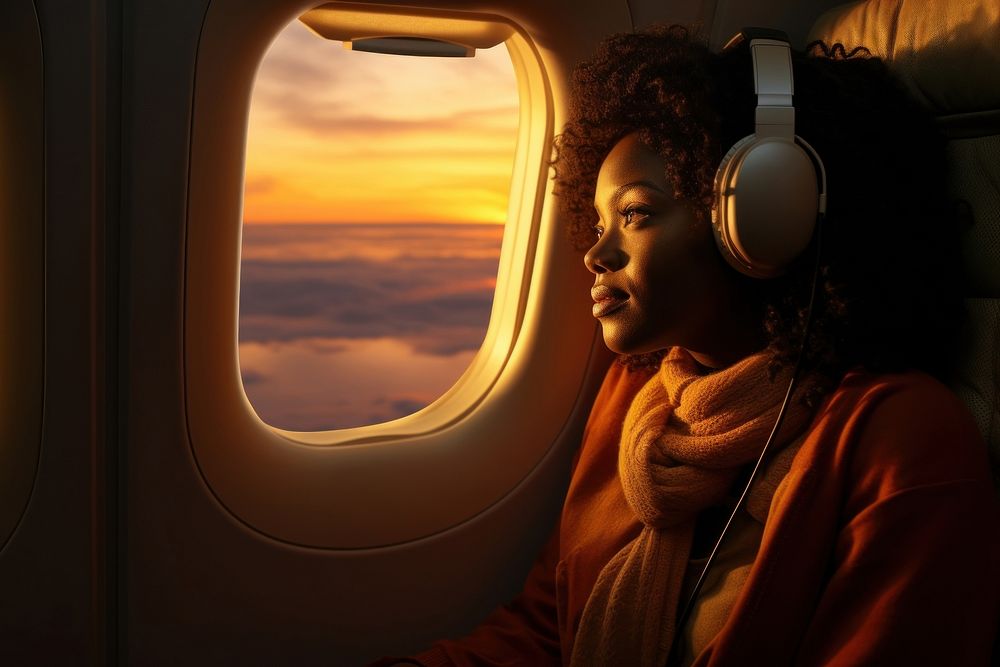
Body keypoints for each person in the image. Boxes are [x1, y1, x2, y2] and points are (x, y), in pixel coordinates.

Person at [373, 24, 999, 666]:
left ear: (767, 218)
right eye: (598, 222)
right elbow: (547, 631)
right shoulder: (638, 401)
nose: (596, 252)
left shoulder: (900, 437)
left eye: (636, 214)